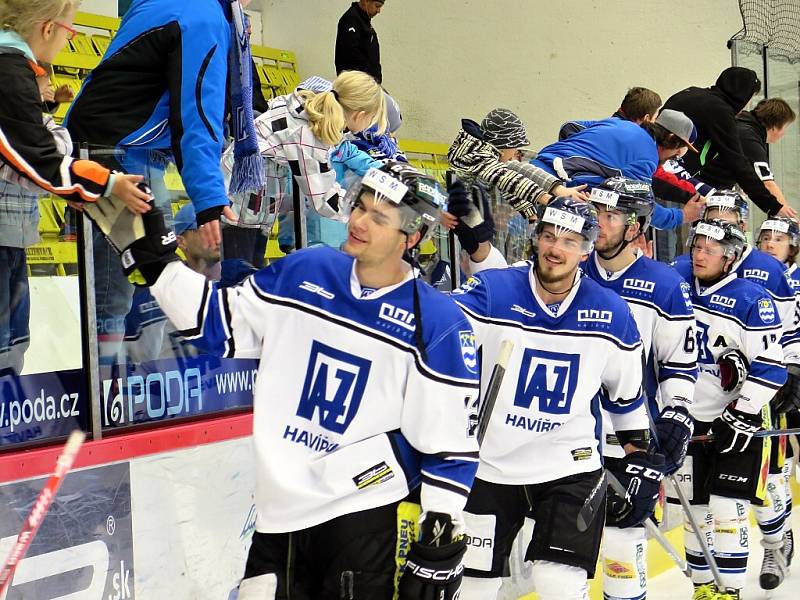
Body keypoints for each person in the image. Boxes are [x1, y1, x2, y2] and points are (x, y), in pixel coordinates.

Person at [109, 162, 480, 600]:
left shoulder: (437, 323)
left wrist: (442, 520)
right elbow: (217, 324)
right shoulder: (307, 269)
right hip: (278, 510)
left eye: (379, 219)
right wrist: (158, 264)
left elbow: (449, 442)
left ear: (412, 237)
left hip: (363, 512)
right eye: (360, 207)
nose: (359, 222)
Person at [447, 196, 657, 600]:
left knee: (559, 584)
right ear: (536, 239)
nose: (555, 249)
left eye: (569, 241)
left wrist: (639, 460)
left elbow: (626, 396)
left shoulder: (611, 312)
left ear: (585, 249)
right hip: (490, 464)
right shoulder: (493, 292)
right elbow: (437, 326)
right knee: (473, 588)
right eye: (548, 236)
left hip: (569, 463)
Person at [583, 177, 698, 600]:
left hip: (626, 438)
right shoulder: (570, 271)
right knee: (559, 559)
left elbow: (679, 362)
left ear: (635, 228)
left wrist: (677, 414)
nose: (598, 223)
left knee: (620, 540)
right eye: (595, 212)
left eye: (610, 215)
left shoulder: (665, 285)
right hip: (564, 437)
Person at [670, 218, 786, 600]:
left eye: (710, 250)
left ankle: (730, 591)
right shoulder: (677, 290)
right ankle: (704, 588)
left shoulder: (753, 299)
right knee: (695, 516)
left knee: (726, 510)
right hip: (688, 422)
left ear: (731, 256)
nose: (699, 255)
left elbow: (771, 367)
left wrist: (745, 409)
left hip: (738, 422)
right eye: (696, 247)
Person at [0, 0, 148, 209]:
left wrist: (71, 186)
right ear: (49, 29)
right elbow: (38, 158)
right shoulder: (10, 74)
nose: (65, 42)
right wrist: (107, 182)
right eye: (69, 32)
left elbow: (13, 161)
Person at [0, 59, 74, 375]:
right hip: (4, 240)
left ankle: (12, 389)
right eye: (44, 81)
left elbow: (55, 153)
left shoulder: (32, 126)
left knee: (18, 331)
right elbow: (53, 149)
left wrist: (49, 110)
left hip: (20, 240)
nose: (50, 86)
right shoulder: (12, 126)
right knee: (4, 329)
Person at [532, 108, 702, 230]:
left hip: (533, 170)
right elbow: (641, 206)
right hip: (549, 192)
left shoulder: (618, 123)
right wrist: (681, 216)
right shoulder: (646, 156)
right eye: (677, 152)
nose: (676, 157)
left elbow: (569, 126)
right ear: (670, 138)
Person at [663, 66, 796, 219]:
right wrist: (774, 207)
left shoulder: (690, 93)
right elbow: (738, 164)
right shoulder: (721, 112)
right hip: (669, 172)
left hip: (656, 166)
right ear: (743, 95)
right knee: (722, 207)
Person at [753, 216, 800, 590]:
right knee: (772, 473)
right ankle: (778, 540)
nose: (770, 243)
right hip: (767, 388)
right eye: (764, 237)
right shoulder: (747, 279)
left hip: (793, 381)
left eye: (778, 238)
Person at [447, 108, 586, 221]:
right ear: (504, 146)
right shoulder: (476, 156)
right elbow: (509, 179)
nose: (516, 152)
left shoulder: (487, 158)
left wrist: (529, 213)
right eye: (516, 147)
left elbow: (507, 185)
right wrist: (551, 199)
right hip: (453, 224)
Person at [702, 97, 796, 208]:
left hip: (704, 185)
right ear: (775, 126)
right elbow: (767, 184)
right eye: (784, 127)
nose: (783, 133)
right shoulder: (748, 136)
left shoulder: (742, 123)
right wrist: (788, 215)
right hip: (701, 190)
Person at [335, 0, 384, 83]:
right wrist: (370, 80)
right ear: (366, 1)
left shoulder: (364, 22)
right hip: (356, 85)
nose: (378, 11)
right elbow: (351, 57)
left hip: (367, 84)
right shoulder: (351, 20)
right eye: (377, 6)